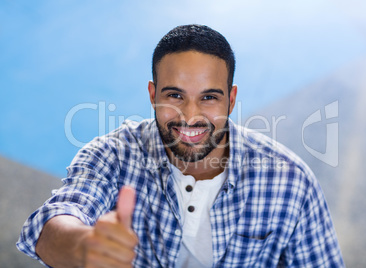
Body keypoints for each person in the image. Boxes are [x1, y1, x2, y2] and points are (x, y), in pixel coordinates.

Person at [17, 24, 344, 267]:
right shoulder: (113, 154)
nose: (190, 116)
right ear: (152, 94)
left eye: (209, 98)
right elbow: (51, 222)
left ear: (231, 99)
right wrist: (82, 246)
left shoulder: (289, 181)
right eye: (174, 95)